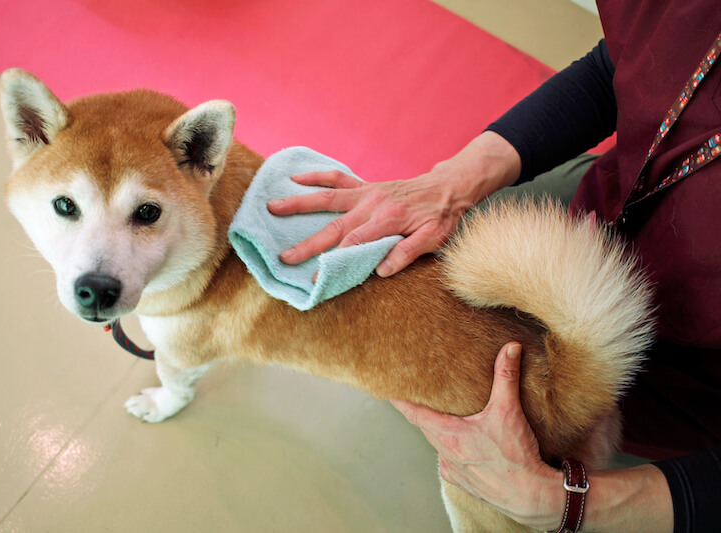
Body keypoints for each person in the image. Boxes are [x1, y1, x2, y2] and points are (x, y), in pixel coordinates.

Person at [267, 1, 721, 531]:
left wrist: (570, 501)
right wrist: (450, 183)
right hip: (617, 197)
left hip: (685, 375)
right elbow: (624, 66)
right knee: (416, 253)